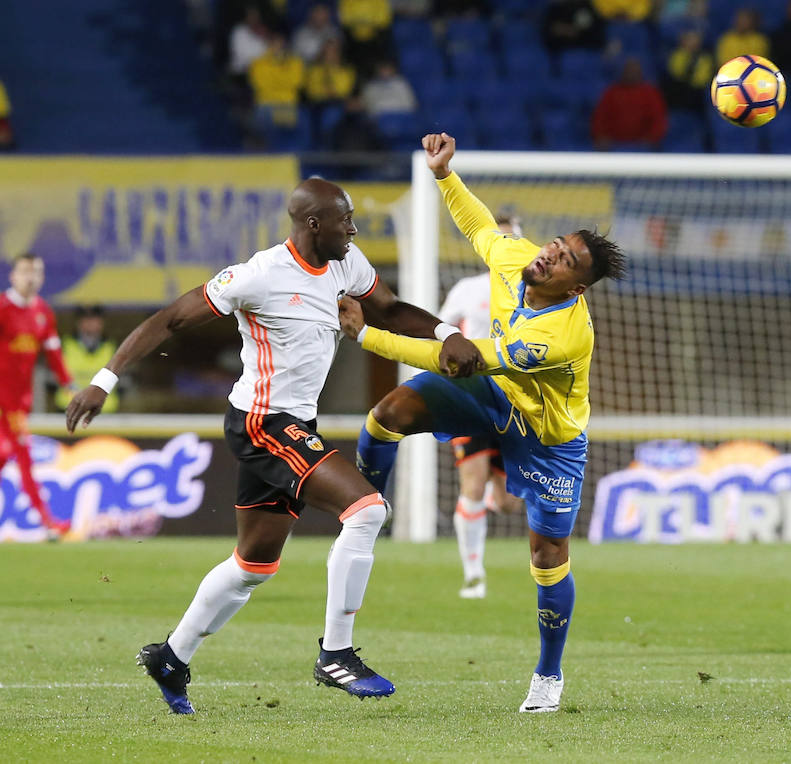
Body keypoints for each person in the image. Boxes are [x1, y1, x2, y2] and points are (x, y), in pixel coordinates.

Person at [65, 177, 482, 715]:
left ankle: (171, 656)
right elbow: (169, 319)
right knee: (367, 510)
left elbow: (392, 308)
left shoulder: (344, 262)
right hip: (263, 422)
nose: (354, 229)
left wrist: (447, 332)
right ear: (313, 225)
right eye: (345, 220)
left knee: (254, 563)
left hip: (293, 422)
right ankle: (336, 654)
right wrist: (104, 379)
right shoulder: (258, 276)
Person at [342, 133, 626, 713]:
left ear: (574, 286)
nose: (547, 254)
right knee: (387, 415)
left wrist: (366, 335)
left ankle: (549, 674)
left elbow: (457, 356)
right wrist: (446, 175)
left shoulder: (558, 334)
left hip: (547, 438)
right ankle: (365, 513)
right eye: (554, 244)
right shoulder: (521, 260)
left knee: (547, 552)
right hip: (493, 394)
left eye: (564, 259)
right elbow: (480, 230)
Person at [439, 213, 525, 599]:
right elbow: (439, 331)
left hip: (515, 402)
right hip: (471, 397)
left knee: (508, 504)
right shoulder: (467, 289)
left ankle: (495, 495)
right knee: (471, 483)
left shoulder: (532, 292)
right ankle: (474, 574)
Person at [0, 253, 75, 536]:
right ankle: (48, 523)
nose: (30, 277)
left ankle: (47, 523)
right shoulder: (3, 308)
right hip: (3, 402)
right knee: (24, 457)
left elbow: (53, 352)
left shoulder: (43, 311)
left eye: (36, 272)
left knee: (7, 456)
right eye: (25, 271)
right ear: (13, 276)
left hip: (21, 402)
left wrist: (68, 383)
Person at [590, 57, 667, 150]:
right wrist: (601, 136)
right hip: (613, 145)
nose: (631, 73)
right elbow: (600, 118)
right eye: (629, 70)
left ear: (640, 72)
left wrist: (651, 138)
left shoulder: (651, 93)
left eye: (635, 70)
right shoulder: (611, 92)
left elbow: (659, 120)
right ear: (623, 72)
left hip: (643, 146)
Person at [56, 306, 120, 413]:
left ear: (101, 322)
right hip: (68, 407)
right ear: (79, 322)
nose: (90, 324)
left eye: (94, 319)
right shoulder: (65, 344)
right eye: (86, 320)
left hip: (104, 411)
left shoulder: (111, 346)